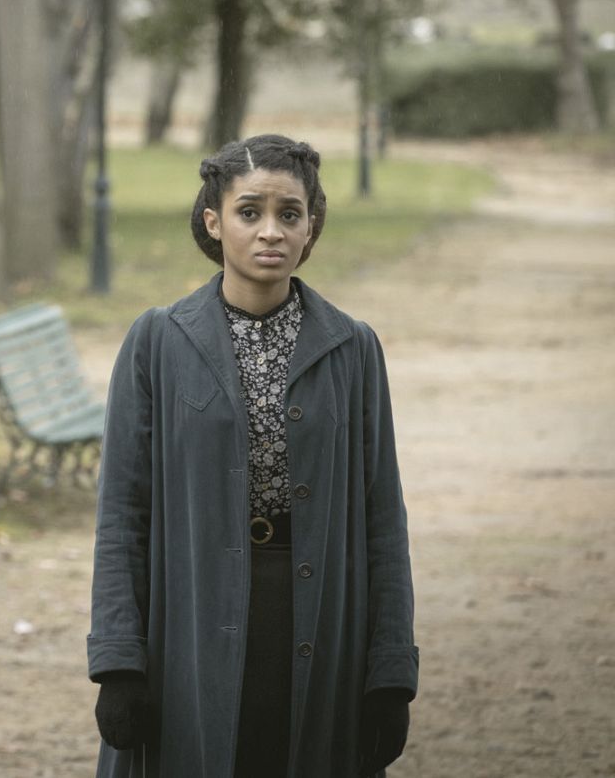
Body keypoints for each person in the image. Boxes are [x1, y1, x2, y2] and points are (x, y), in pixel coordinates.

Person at [87, 135, 418, 777]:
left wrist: (390, 673)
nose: (271, 231)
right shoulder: (157, 340)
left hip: (320, 622)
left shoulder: (353, 348)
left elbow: (384, 522)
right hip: (188, 622)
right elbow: (122, 515)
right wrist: (119, 662)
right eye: (249, 212)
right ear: (214, 222)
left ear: (311, 227)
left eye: (289, 214)